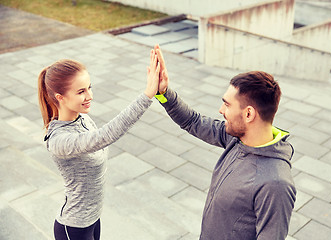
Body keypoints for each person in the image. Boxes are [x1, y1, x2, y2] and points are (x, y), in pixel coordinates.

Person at [153, 45, 296, 240]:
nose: (221, 110)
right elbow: (193, 121)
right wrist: (164, 92)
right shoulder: (237, 139)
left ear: (248, 114)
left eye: (227, 104)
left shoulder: (275, 184)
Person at [37, 50, 160, 240]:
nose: (90, 95)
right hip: (74, 227)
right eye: (81, 91)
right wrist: (148, 95)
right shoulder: (59, 141)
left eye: (89, 87)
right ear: (60, 97)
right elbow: (105, 136)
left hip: (93, 219)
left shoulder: (83, 119)